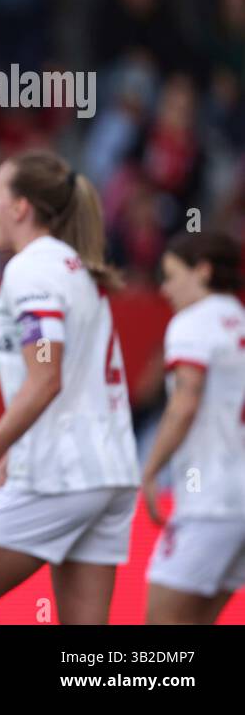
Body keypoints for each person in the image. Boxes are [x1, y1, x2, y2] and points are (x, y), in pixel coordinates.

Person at [0, 152, 139, 625]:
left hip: (62, 474)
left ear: (20, 207)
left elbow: (47, 378)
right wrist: (6, 463)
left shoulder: (31, 271)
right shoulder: (75, 268)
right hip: (111, 473)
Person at [143, 231, 245, 624]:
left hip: (210, 501)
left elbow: (185, 403)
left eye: (171, 275)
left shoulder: (192, 323)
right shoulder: (238, 319)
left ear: (202, 271)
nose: (165, 288)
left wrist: (151, 469)